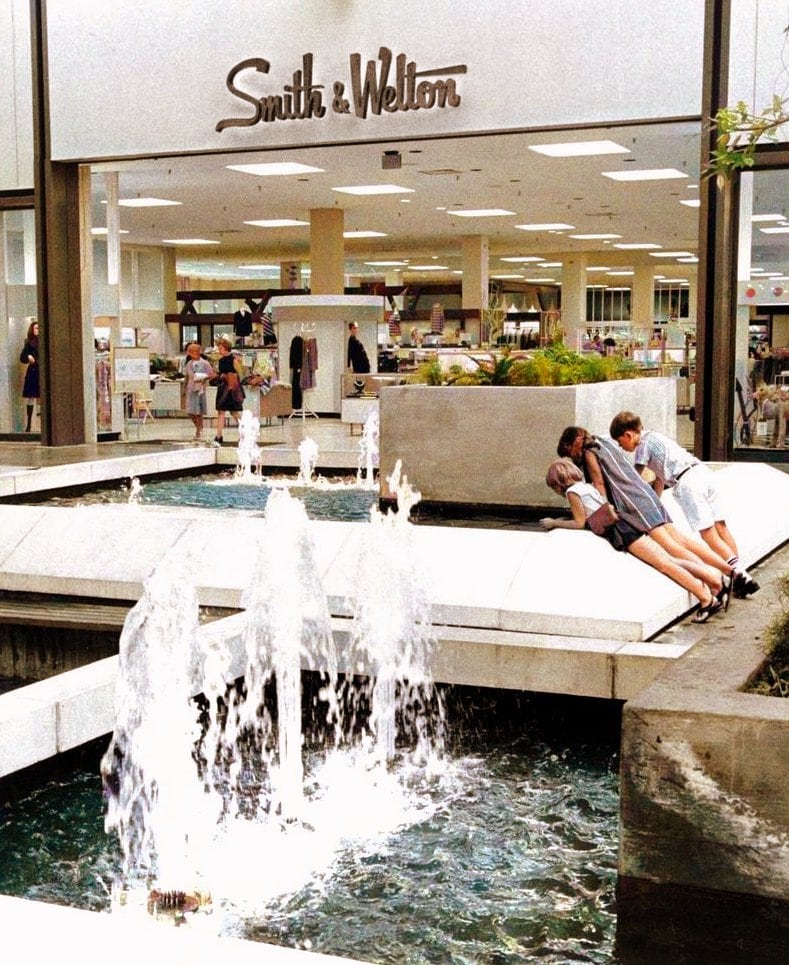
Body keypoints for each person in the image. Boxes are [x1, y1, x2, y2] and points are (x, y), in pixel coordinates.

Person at [556, 426, 733, 604]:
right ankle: (729, 573)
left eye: (569, 453)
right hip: (645, 495)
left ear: (574, 443)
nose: (573, 458)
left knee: (672, 550)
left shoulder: (589, 452)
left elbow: (600, 484)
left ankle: (716, 582)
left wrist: (603, 507)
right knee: (680, 542)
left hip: (634, 504)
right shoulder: (604, 441)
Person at [541, 458, 725, 622]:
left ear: (557, 483)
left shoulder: (572, 492)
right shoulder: (586, 486)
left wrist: (554, 523)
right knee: (670, 560)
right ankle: (714, 579)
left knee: (664, 564)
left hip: (620, 531)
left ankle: (705, 598)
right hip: (626, 523)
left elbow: (580, 522)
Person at [609, 410, 759, 598]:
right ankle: (741, 573)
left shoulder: (642, 446)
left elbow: (634, 477)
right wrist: (657, 503)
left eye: (620, 441)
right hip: (701, 472)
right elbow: (659, 477)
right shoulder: (656, 436)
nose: (621, 446)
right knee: (721, 528)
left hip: (688, 483)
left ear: (628, 434)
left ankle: (739, 575)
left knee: (709, 535)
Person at [213, 337, 245, 445]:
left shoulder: (234, 360)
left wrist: (229, 376)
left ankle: (244, 432)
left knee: (233, 411)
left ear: (226, 348)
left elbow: (240, 373)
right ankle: (219, 434)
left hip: (231, 388)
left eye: (221, 348)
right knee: (221, 411)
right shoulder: (221, 360)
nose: (219, 350)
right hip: (224, 386)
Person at [183, 341, 214, 441]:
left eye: (192, 351)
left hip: (200, 389)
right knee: (189, 411)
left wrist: (204, 378)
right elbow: (187, 376)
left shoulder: (204, 363)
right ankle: (199, 426)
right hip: (190, 389)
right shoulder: (189, 363)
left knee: (198, 411)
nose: (190, 353)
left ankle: (198, 430)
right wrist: (184, 388)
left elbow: (211, 374)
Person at [19, 321, 40, 432]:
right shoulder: (29, 343)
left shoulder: (44, 342)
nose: (37, 330)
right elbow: (22, 358)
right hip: (33, 371)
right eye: (36, 328)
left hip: (41, 371)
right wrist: (28, 356)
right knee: (31, 397)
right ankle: (29, 424)